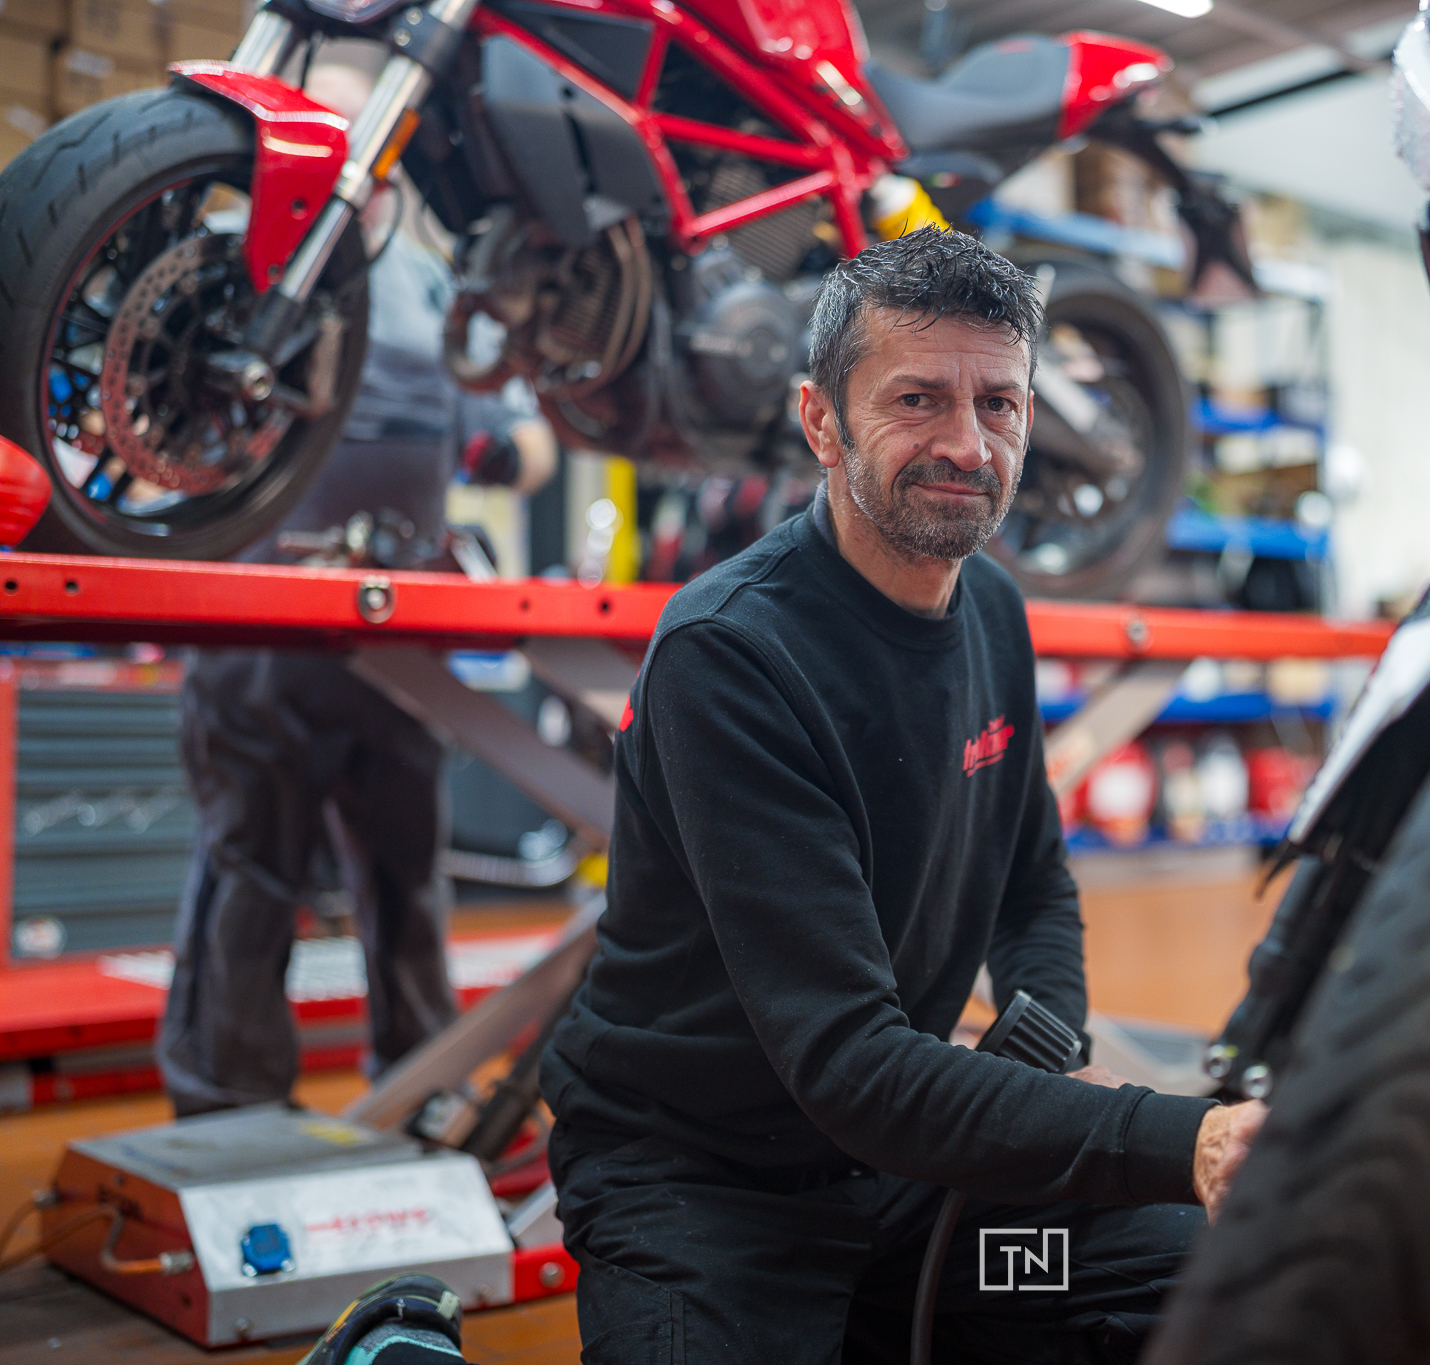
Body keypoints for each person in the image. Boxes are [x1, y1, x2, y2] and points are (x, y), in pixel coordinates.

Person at [539, 227, 1267, 1365]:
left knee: (1206, 1278)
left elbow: (1032, 883)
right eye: (917, 400)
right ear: (821, 421)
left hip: (913, 1194)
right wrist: (1192, 1141)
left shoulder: (994, 614)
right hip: (711, 1196)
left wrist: (1040, 1053)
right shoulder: (730, 656)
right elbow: (850, 1063)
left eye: (998, 404)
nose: (966, 446)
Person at [154, 65, 558, 1116]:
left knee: (407, 880)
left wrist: (504, 452)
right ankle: (225, 1109)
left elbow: (530, 441)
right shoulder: (228, 261)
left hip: (398, 649)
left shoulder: (439, 285)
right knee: (248, 877)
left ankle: (420, 1090)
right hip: (258, 640)